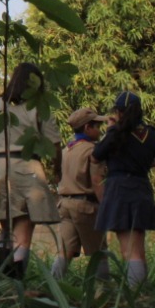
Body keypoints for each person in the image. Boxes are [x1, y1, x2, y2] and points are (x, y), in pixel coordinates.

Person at [0, 62, 62, 277]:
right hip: (26, 167)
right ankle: (16, 280)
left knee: (6, 229)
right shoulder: (38, 107)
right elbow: (54, 144)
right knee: (23, 230)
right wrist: (58, 170)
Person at [91, 91, 155, 287]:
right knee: (138, 248)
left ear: (119, 112)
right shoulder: (151, 134)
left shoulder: (116, 134)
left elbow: (95, 157)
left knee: (129, 251)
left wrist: (110, 129)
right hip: (142, 188)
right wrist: (149, 164)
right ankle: (142, 292)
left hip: (120, 190)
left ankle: (135, 295)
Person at [52, 107, 108, 281]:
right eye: (97, 126)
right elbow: (97, 181)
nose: (99, 130)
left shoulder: (66, 150)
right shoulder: (92, 151)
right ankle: (103, 288)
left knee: (64, 251)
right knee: (99, 252)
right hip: (85, 206)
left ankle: (53, 285)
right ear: (87, 128)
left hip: (65, 204)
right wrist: (106, 207)